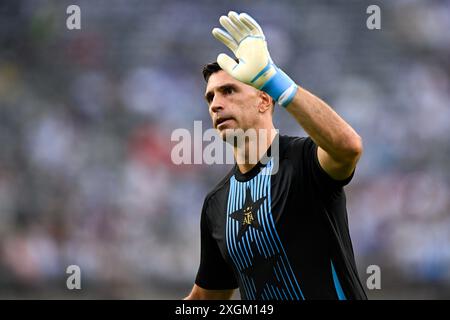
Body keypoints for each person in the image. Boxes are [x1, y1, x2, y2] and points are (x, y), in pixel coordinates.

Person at [185, 11, 367, 300]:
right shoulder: (216, 204)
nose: (216, 104)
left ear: (264, 99)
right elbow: (206, 299)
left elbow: (349, 147)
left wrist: (273, 79)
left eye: (228, 90)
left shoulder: (305, 160)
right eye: (210, 97)